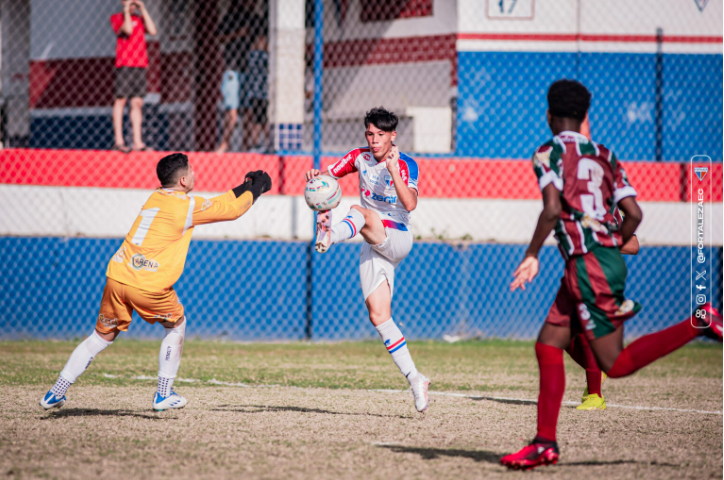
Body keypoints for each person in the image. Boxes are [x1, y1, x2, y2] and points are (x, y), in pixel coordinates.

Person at [500, 79, 723, 470]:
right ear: (586, 117)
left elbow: (551, 209)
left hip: (588, 264)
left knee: (615, 364)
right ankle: (544, 444)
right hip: (596, 261)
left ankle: (700, 321)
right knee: (548, 344)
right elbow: (635, 214)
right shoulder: (605, 154)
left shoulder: (546, 152)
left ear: (548, 115)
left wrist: (532, 254)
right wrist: (608, 241)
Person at [40, 153, 272, 411]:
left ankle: (56, 391)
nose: (195, 174)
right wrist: (258, 188)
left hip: (118, 275)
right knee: (177, 325)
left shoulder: (156, 197)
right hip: (148, 283)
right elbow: (232, 211)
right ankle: (163, 393)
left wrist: (244, 186)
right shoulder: (186, 206)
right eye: (191, 171)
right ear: (183, 180)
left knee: (101, 336)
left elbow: (214, 203)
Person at [304, 107, 431, 412]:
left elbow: (410, 204)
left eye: (381, 135)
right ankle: (416, 379)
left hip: (397, 236)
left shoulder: (406, 164)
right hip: (372, 240)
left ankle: (329, 235)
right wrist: (315, 177)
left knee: (358, 212)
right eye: (370, 134)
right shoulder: (358, 157)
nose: (374, 141)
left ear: (393, 136)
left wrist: (392, 170)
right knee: (379, 316)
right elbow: (328, 176)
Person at [110, 0, 157, 153]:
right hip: (125, 65)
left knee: (137, 102)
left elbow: (153, 31)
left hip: (140, 64)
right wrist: (126, 10)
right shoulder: (117, 18)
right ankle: (119, 141)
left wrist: (143, 9)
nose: (132, 4)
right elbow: (128, 30)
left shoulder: (140, 19)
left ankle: (137, 142)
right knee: (121, 100)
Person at [216, 0, 258, 153]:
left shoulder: (255, 19)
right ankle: (225, 143)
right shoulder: (231, 17)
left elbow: (262, 40)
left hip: (250, 69)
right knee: (232, 108)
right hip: (233, 69)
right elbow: (218, 38)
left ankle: (245, 145)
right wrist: (237, 35)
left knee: (248, 109)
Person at [245, 29, 271, 152]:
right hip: (259, 93)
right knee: (259, 119)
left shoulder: (252, 55)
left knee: (261, 119)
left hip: (259, 93)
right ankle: (258, 143)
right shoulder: (259, 55)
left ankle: (261, 143)